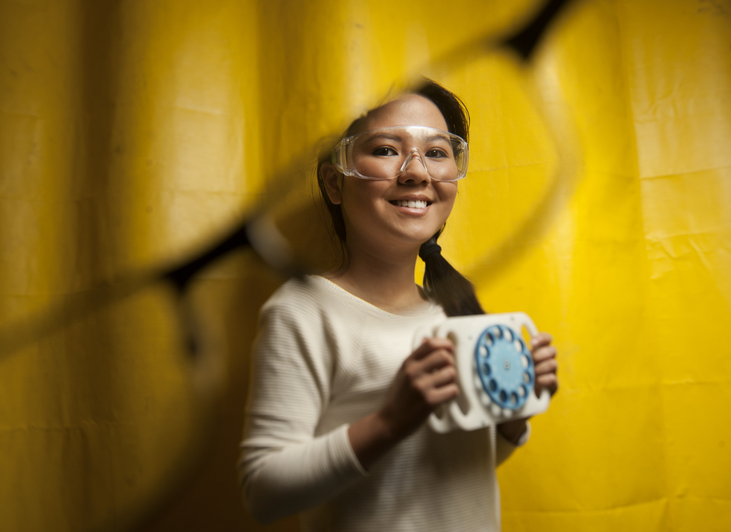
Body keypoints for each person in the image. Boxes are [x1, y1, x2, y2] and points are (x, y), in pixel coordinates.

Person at [239, 80, 558, 531]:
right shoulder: (303, 311)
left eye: (437, 152)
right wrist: (390, 421)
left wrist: (510, 419)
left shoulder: (453, 310)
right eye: (388, 149)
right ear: (335, 182)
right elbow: (263, 493)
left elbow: (450, 471)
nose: (416, 172)